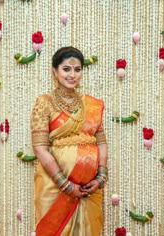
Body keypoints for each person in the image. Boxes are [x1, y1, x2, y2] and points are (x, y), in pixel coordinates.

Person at [31, 46, 108, 236]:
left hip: (90, 188)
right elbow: (40, 148)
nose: (72, 75)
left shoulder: (92, 104)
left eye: (77, 69)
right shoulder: (44, 103)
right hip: (54, 186)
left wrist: (100, 177)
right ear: (54, 71)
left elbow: (101, 143)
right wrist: (65, 184)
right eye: (66, 69)